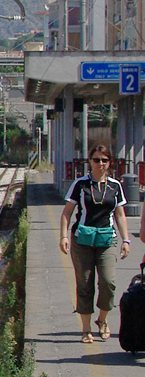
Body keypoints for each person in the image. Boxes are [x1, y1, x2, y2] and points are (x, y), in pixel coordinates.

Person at [60, 142, 131, 343]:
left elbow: (120, 214)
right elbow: (67, 213)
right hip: (82, 240)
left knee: (108, 282)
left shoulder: (115, 186)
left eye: (104, 160)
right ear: (90, 161)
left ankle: (102, 319)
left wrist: (126, 239)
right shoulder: (80, 184)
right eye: (96, 159)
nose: (101, 163)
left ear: (110, 163)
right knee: (84, 284)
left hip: (106, 239)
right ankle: (85, 329)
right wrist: (64, 236)